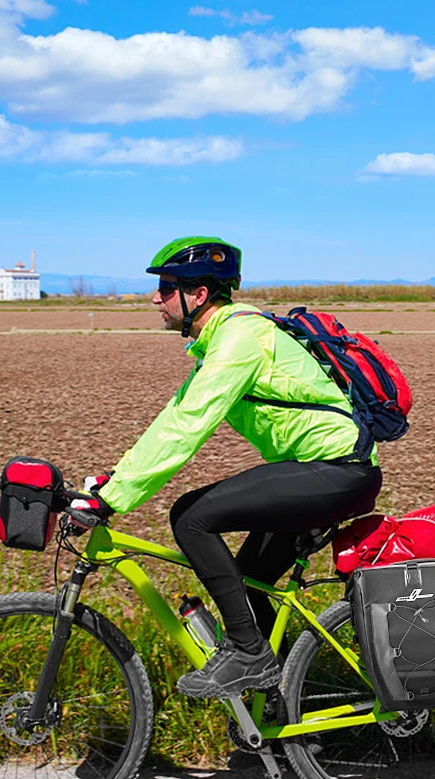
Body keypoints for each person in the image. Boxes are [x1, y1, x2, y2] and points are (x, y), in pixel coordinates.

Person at [74, 237, 382, 698]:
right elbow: (173, 417)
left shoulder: (240, 339)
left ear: (198, 295)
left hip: (337, 470)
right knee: (251, 584)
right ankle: (278, 708)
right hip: (325, 469)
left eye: (165, 287)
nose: (154, 298)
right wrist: (112, 482)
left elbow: (188, 426)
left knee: (191, 516)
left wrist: (112, 501)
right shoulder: (222, 341)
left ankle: (249, 655)